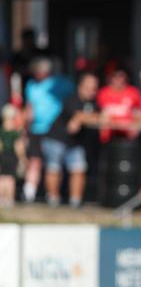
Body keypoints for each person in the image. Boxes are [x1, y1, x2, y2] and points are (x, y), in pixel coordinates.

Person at [42, 73, 101, 208]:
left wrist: (84, 119)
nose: (91, 91)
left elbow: (100, 117)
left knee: (79, 168)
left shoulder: (93, 104)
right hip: (57, 139)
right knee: (54, 168)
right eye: (88, 88)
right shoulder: (72, 99)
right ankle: (53, 199)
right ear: (80, 87)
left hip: (76, 142)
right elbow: (79, 116)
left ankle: (75, 201)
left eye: (94, 88)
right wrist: (82, 118)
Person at [23, 57, 74, 202]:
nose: (38, 74)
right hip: (35, 129)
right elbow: (29, 106)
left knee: (54, 163)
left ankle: (53, 195)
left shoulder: (60, 83)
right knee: (34, 160)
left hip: (54, 129)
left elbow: (73, 98)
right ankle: (29, 194)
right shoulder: (31, 85)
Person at [0, 104, 26, 207]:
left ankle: (1, 198)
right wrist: (22, 158)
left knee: (2, 178)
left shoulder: (1, 131)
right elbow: (18, 147)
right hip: (11, 156)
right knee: (10, 179)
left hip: (2, 156)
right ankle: (9, 199)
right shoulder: (15, 133)